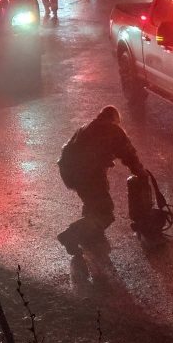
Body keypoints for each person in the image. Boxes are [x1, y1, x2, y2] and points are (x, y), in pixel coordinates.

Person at [57, 106, 146, 254]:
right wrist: (141, 173)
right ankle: (70, 235)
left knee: (92, 204)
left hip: (71, 172)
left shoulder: (87, 127)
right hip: (88, 173)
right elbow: (129, 154)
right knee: (105, 213)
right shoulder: (112, 129)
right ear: (114, 120)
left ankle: (90, 235)